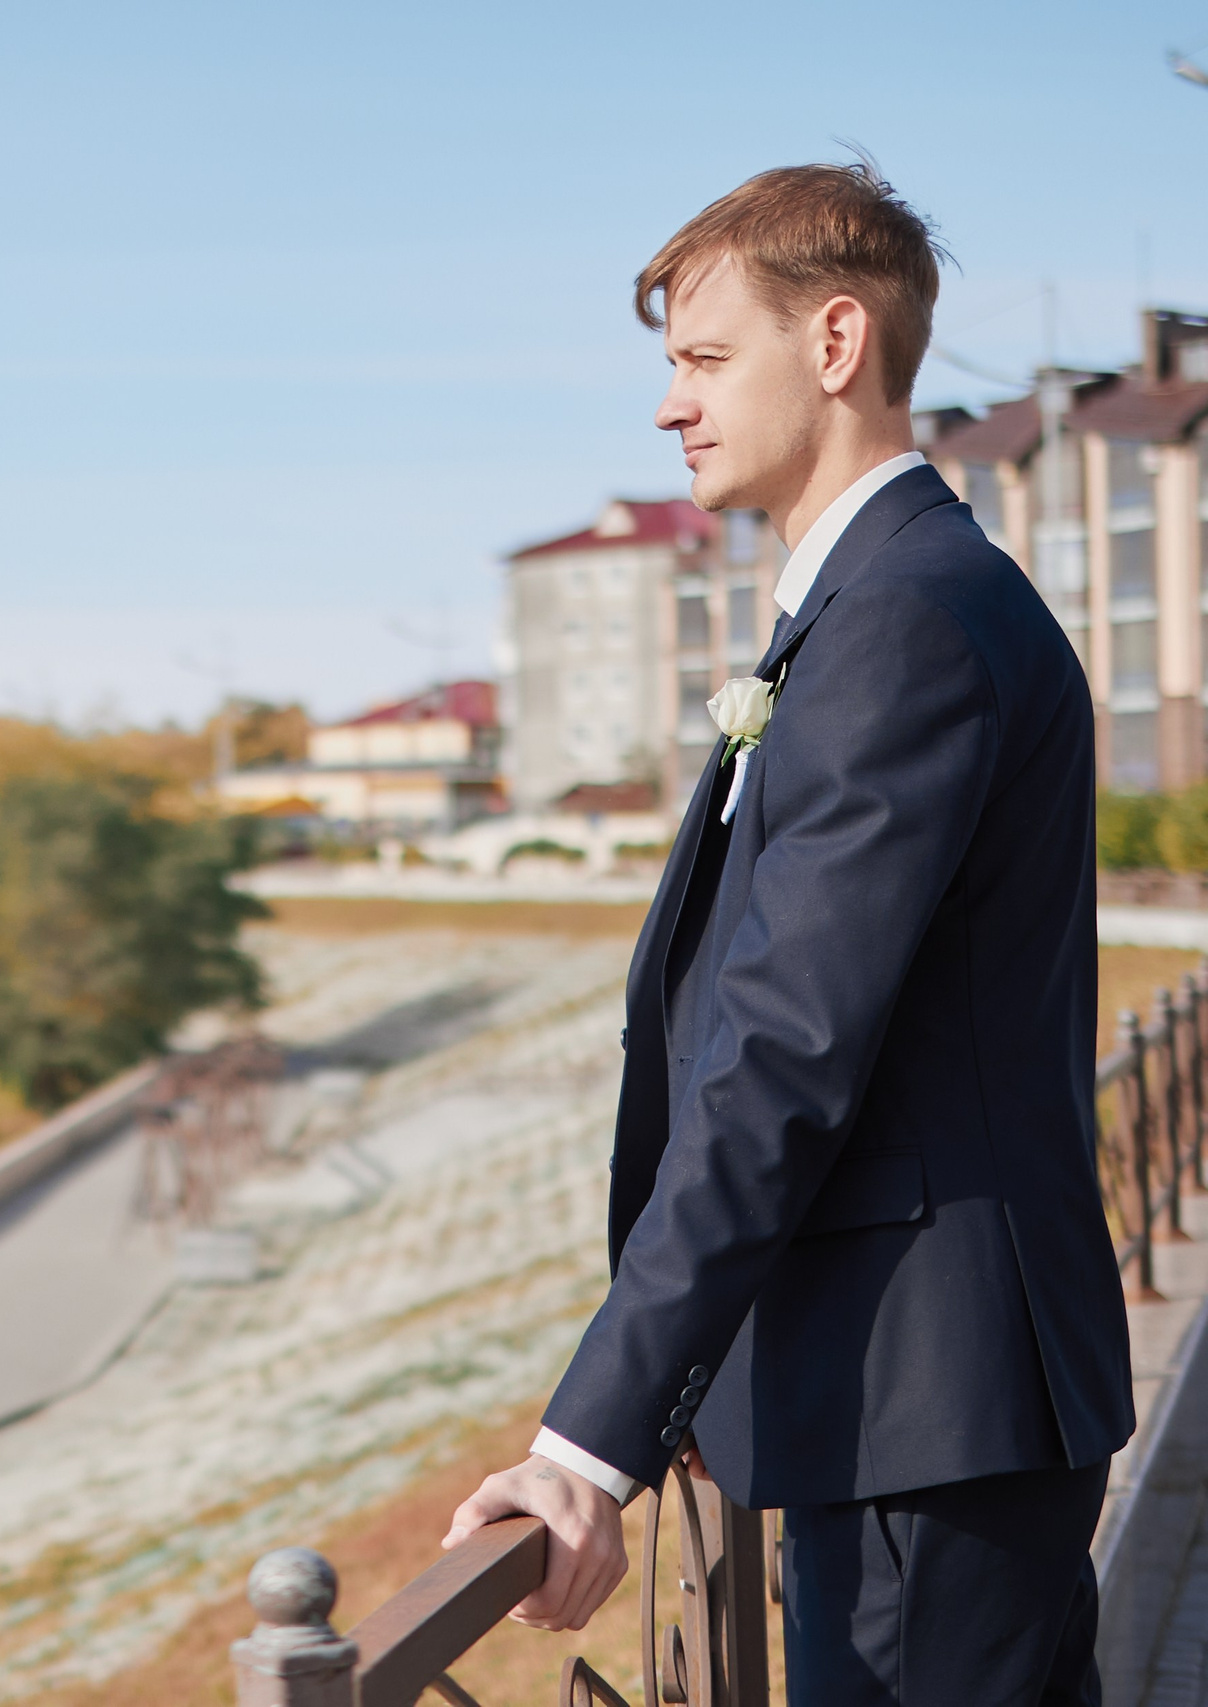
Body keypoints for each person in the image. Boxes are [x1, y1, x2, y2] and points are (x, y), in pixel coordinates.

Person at [443, 161, 1135, 1704]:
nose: (670, 406)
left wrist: (590, 1446)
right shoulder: (894, 602)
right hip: (915, 1402)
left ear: (834, 343)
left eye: (703, 358)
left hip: (920, 1409)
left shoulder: (902, 622)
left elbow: (784, 1056)